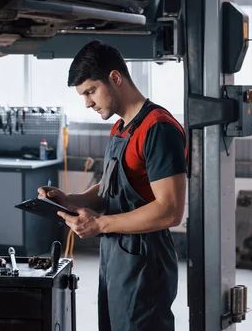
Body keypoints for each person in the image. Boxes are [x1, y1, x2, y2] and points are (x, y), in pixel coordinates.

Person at [38, 40, 187, 331]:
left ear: (115, 78)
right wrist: (69, 199)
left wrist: (100, 225)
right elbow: (109, 189)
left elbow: (170, 211)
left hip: (145, 259)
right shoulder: (120, 128)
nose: (87, 102)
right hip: (116, 256)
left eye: (90, 91)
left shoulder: (157, 128)